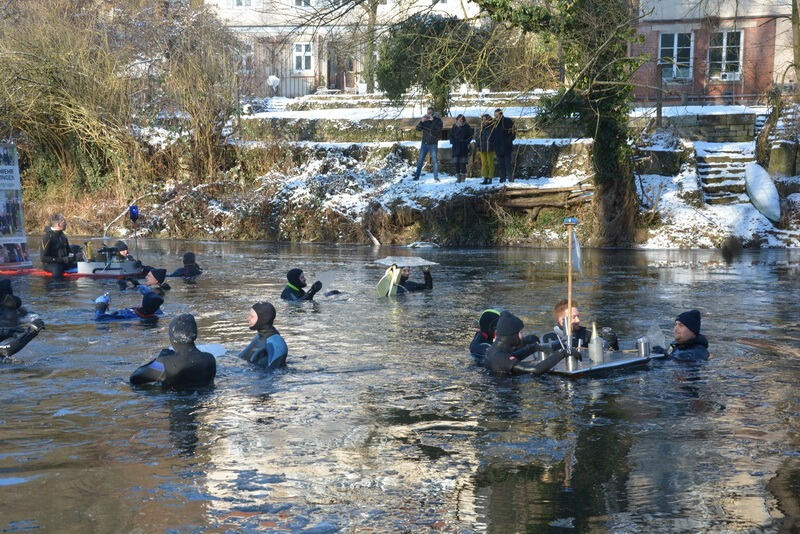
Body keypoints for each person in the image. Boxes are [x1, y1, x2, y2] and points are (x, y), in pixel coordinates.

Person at [129, 314, 216, 389]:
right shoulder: (209, 359)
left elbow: (134, 378)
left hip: (176, 405)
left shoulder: (164, 363)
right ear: (195, 334)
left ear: (173, 337)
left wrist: (159, 359)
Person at [485, 311, 565, 374]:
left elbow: (515, 356)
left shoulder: (493, 351)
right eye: (520, 332)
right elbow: (534, 370)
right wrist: (563, 353)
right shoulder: (501, 358)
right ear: (512, 334)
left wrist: (534, 347)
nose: (523, 336)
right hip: (509, 392)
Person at [541, 299, 619, 351]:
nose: (578, 320)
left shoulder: (587, 335)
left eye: (578, 316)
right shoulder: (548, 338)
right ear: (561, 320)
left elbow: (609, 353)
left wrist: (612, 343)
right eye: (573, 317)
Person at [238, 301, 288, 370]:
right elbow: (241, 358)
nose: (248, 319)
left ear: (263, 319)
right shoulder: (260, 336)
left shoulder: (276, 342)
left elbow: (275, 373)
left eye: (252, 316)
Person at [413, 106, 443, 182]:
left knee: (435, 161)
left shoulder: (438, 120)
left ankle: (436, 178)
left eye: (430, 112)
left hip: (433, 144)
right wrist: (421, 121)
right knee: (420, 160)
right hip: (424, 144)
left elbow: (438, 130)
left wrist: (433, 121)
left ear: (433, 112)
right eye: (428, 112)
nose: (429, 114)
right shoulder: (425, 120)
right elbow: (418, 129)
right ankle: (417, 176)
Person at [40, 213, 75, 279]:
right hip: (50, 264)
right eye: (64, 222)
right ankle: (56, 287)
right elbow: (43, 258)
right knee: (58, 268)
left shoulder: (63, 236)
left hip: (62, 262)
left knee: (78, 264)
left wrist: (74, 256)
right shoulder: (47, 237)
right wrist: (62, 259)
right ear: (59, 224)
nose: (66, 224)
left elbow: (69, 252)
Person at [94, 291, 164, 321]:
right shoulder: (157, 312)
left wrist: (100, 305)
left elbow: (99, 318)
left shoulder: (128, 317)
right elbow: (154, 304)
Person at [492, 109, 516, 183]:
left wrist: (509, 140)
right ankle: (502, 179)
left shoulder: (507, 121)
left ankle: (510, 179)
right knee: (501, 165)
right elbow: (492, 135)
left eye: (496, 115)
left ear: (500, 114)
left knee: (508, 164)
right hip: (498, 147)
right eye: (494, 115)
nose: (495, 116)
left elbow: (513, 131)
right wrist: (493, 142)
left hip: (506, 147)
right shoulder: (494, 123)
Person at [449, 114, 474, 183]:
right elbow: (450, 135)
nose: (460, 121)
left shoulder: (466, 127)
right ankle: (458, 178)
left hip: (463, 146)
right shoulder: (454, 126)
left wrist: (466, 142)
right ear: (457, 120)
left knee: (463, 163)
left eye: (461, 119)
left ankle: (463, 178)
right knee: (456, 163)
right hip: (456, 146)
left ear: (463, 120)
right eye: (459, 119)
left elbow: (470, 136)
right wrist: (452, 141)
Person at [477, 114, 495, 185]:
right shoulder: (481, 127)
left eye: (485, 119)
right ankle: (485, 177)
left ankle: (490, 178)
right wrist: (478, 145)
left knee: (490, 163)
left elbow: (494, 137)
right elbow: (477, 137)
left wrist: (492, 144)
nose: (484, 121)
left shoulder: (492, 127)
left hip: (490, 147)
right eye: (483, 119)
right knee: (484, 163)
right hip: (482, 148)